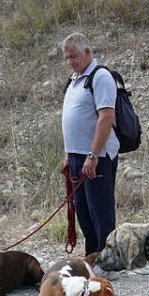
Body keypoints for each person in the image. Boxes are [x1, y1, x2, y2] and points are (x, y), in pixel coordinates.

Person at [61, 32, 119, 259]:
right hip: (76, 157)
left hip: (97, 156)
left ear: (87, 52)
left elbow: (106, 117)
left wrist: (93, 155)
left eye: (73, 56)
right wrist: (68, 154)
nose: (70, 62)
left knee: (100, 210)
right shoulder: (75, 80)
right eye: (67, 58)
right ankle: (92, 256)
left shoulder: (100, 77)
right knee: (83, 210)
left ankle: (109, 260)